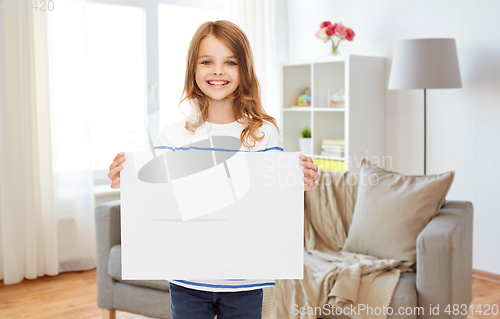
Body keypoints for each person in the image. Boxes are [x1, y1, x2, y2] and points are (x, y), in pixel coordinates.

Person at [107, 20, 319, 319]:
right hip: (188, 277)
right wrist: (127, 181)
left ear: (243, 70)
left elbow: (272, 195)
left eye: (230, 62)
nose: (218, 71)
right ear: (193, 70)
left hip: (246, 278)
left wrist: (300, 181)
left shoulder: (264, 133)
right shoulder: (172, 135)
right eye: (207, 61)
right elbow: (161, 196)